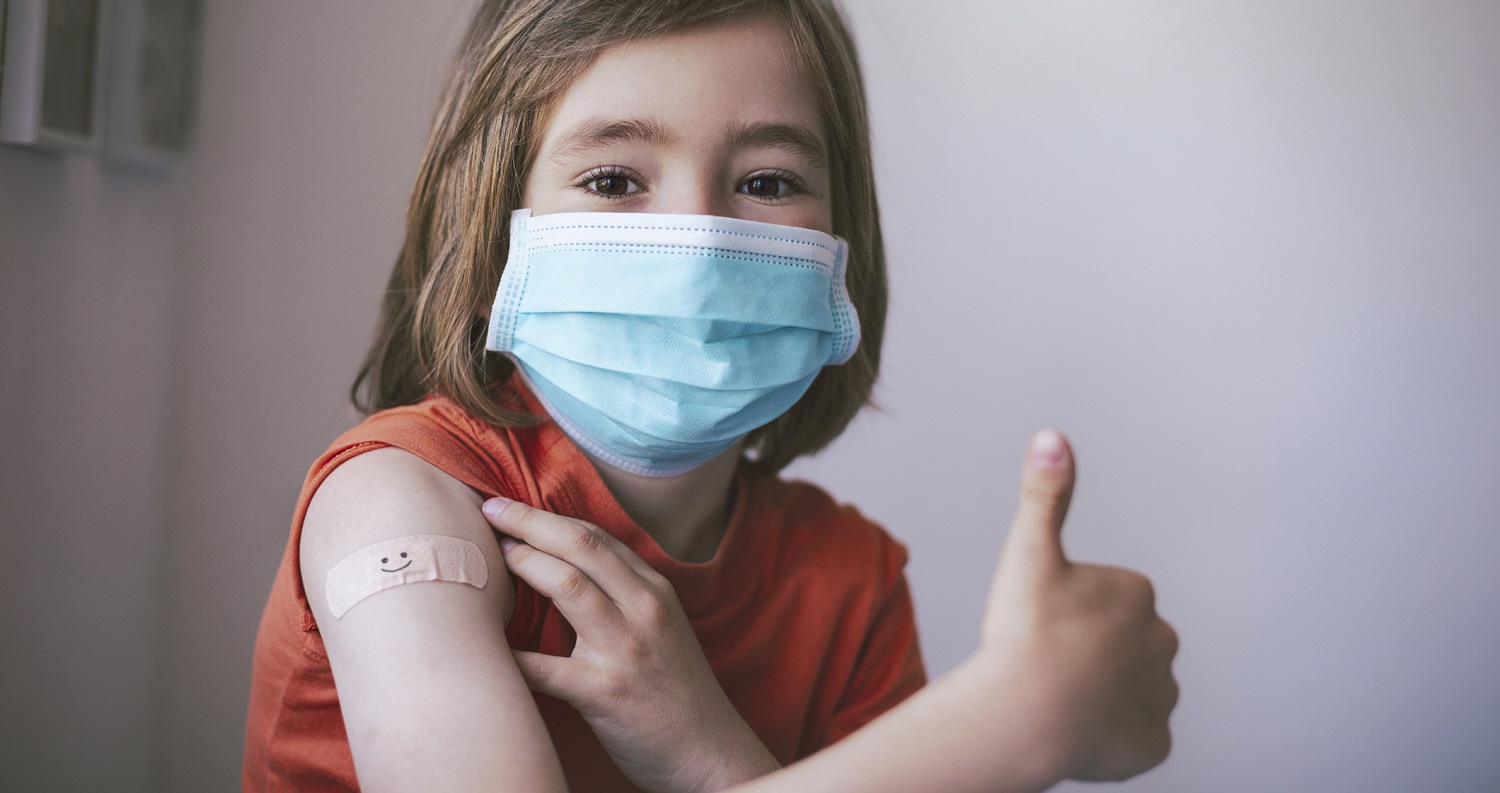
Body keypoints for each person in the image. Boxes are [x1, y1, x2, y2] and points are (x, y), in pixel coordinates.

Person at [241, 1, 1177, 791]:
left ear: (840, 245)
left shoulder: (850, 583)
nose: (697, 241)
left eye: (767, 181)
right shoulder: (394, 507)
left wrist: (705, 748)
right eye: (613, 179)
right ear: (493, 219)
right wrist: (1018, 714)